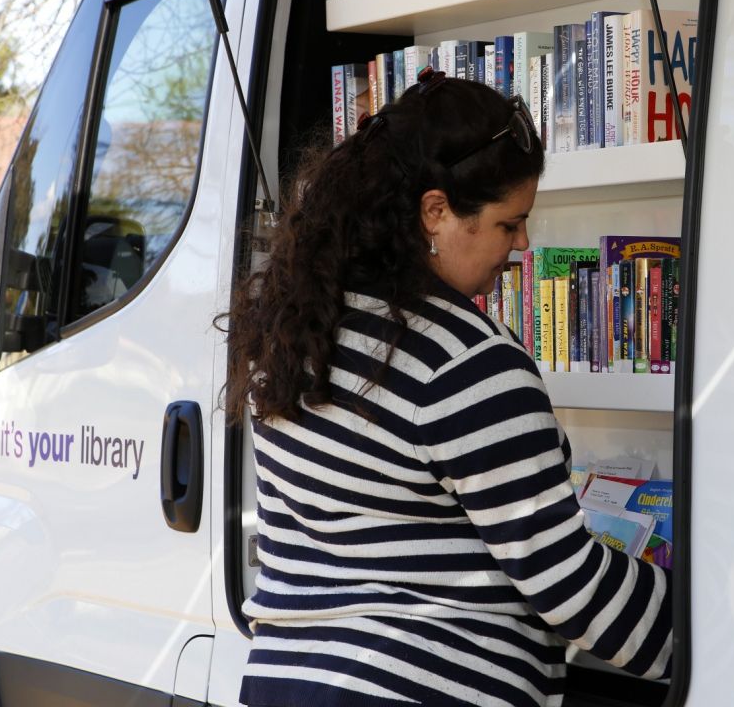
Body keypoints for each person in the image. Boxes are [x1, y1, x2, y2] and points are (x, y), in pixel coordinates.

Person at [225, 70, 673, 707]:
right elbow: (565, 585)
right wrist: (700, 624)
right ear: (436, 211)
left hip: (288, 682)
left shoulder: (297, 331)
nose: (522, 244)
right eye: (508, 223)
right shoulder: (466, 362)